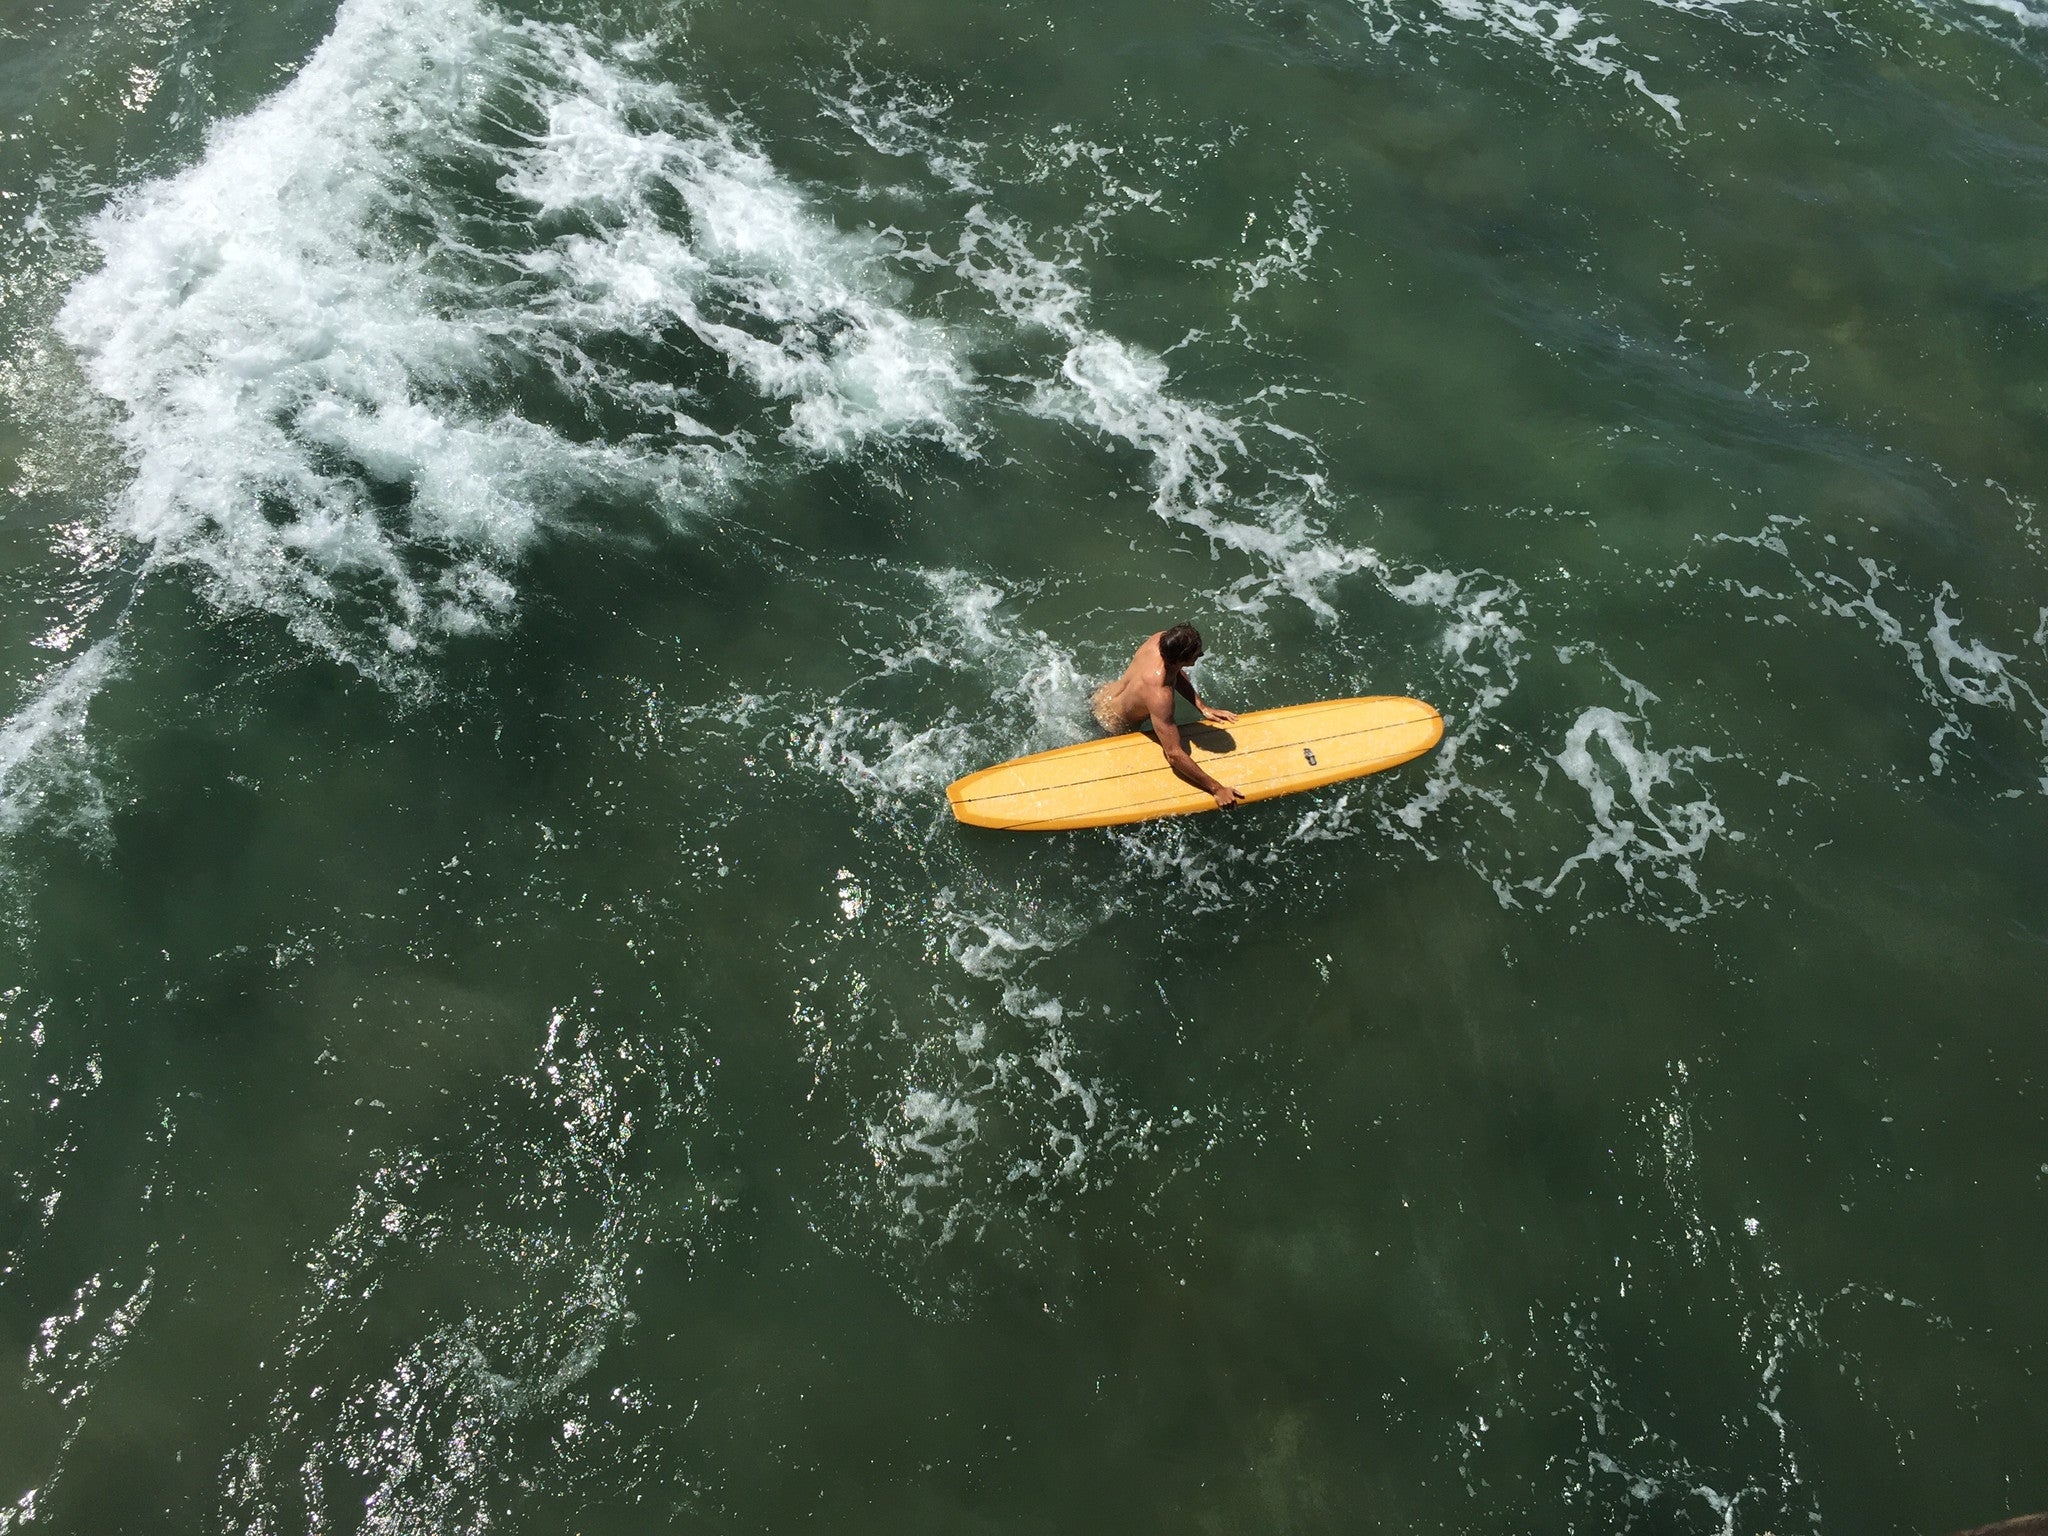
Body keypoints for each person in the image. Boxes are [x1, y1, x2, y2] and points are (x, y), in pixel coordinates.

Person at [1089, 623, 1244, 808]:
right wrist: (1217, 789)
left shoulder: (1159, 640)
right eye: (1197, 654)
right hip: (1109, 725)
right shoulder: (1160, 696)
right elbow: (1174, 755)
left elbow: (1174, 672)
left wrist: (1202, 707)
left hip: (1098, 694)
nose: (1201, 655)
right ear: (1182, 659)